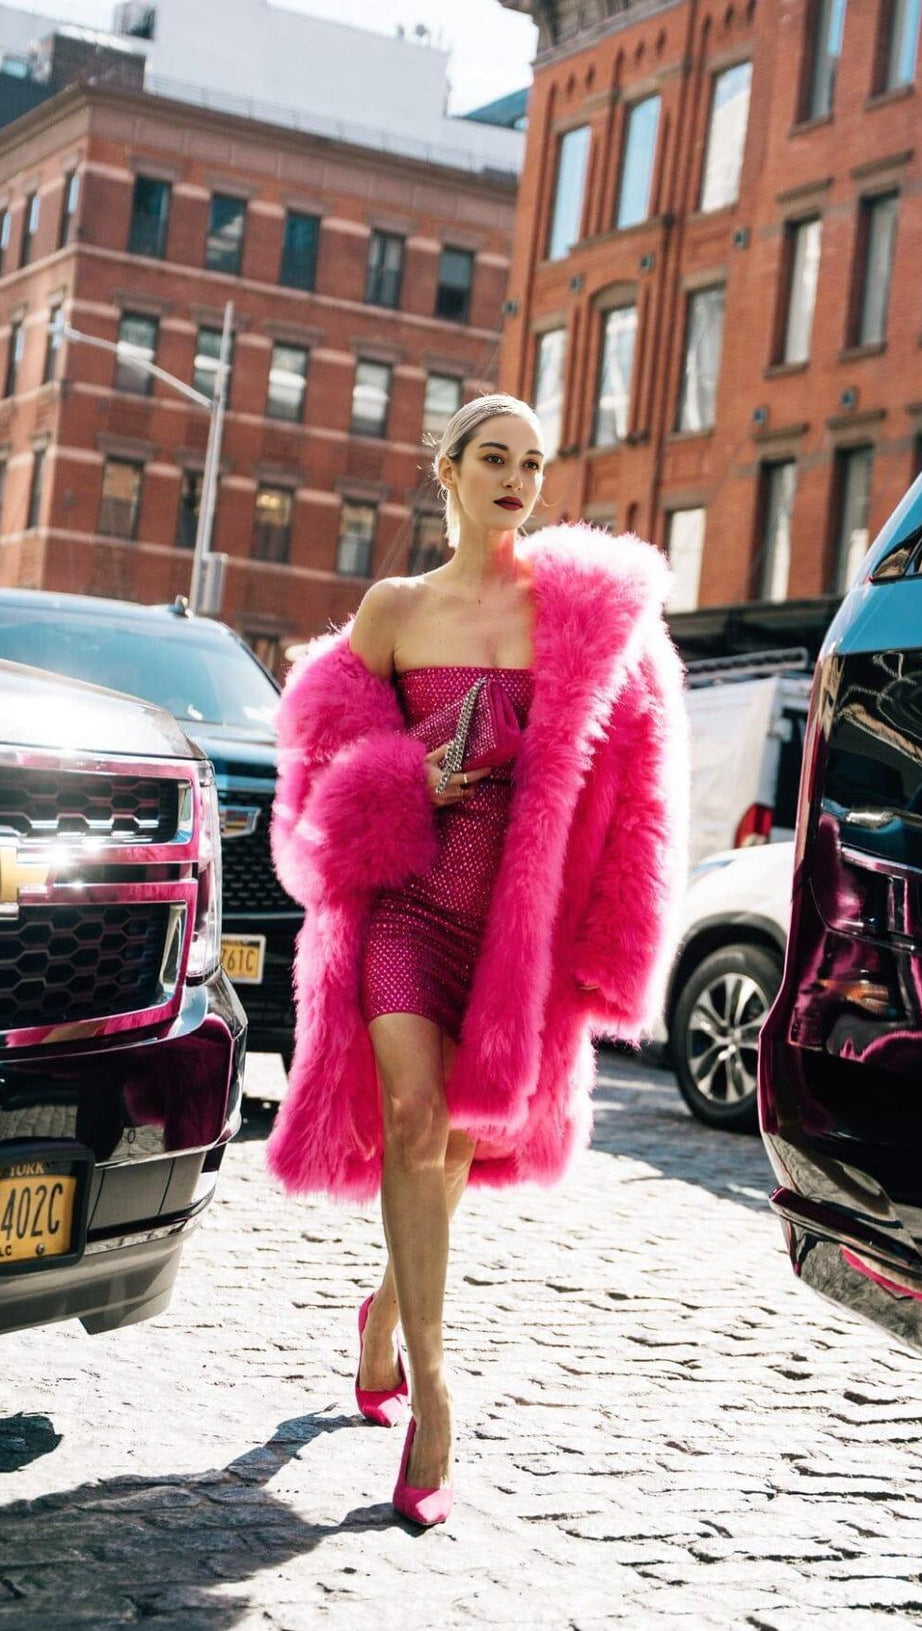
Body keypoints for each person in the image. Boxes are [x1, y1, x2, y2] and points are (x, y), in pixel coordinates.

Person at [268, 392, 689, 1527]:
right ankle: (436, 1392)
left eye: (532, 463)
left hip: (514, 920)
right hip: (407, 903)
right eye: (493, 457)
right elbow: (314, 774)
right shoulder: (394, 608)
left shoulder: (579, 615)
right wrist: (409, 776)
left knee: (456, 1136)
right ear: (445, 472)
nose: (516, 478)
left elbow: (639, 785)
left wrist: (613, 936)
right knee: (413, 1118)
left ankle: (386, 1319)